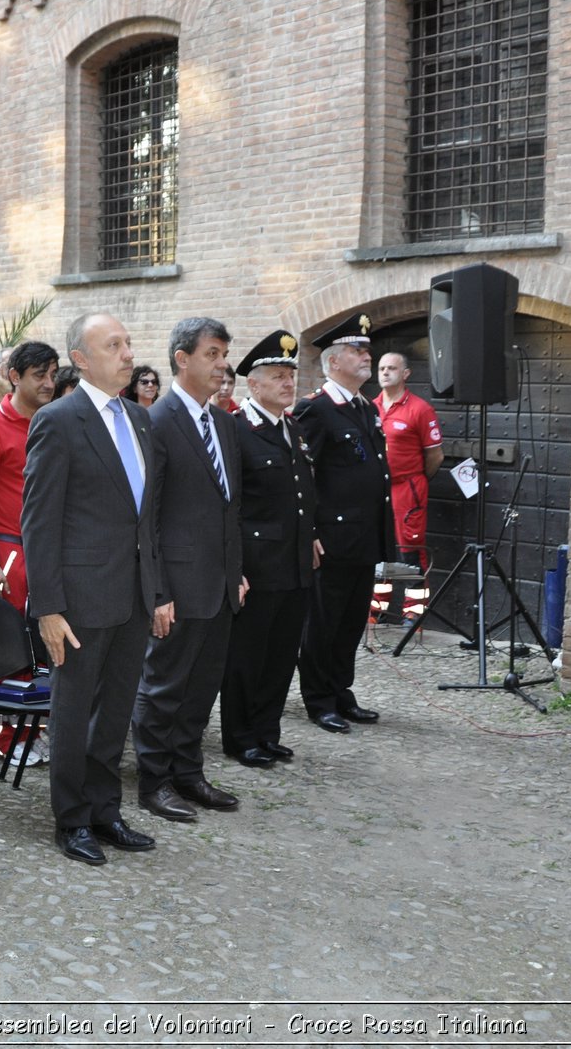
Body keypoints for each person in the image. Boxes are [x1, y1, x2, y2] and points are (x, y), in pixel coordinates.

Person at [22, 313, 162, 866]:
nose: (128, 354)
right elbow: (39, 521)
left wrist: (158, 588)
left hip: (132, 593)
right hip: (79, 597)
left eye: (128, 343)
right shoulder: (59, 420)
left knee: (118, 708)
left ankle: (106, 810)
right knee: (75, 709)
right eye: (114, 345)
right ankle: (72, 819)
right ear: (80, 359)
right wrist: (49, 607)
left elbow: (146, 517)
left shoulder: (138, 419)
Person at [131, 318, 245, 824]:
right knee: (163, 687)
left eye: (224, 354)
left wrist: (234, 571)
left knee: (202, 686)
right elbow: (147, 516)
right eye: (213, 353)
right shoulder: (155, 421)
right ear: (182, 358)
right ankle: (153, 781)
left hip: (218, 585)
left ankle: (188, 771)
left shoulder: (222, 422)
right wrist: (157, 592)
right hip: (176, 585)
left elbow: (229, 508)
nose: (223, 364)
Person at [220, 331, 322, 766]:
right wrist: (235, 566)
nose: (288, 383)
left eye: (290, 375)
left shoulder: (293, 427)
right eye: (278, 376)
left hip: (294, 561)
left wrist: (311, 534)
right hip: (258, 565)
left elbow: (300, 492)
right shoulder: (237, 429)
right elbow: (231, 505)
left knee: (281, 654)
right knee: (248, 656)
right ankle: (240, 736)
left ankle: (267, 731)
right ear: (254, 384)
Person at [293, 320, 391, 735]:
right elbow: (302, 476)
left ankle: (340, 689)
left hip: (363, 536)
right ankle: (318, 698)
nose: (366, 355)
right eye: (356, 350)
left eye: (366, 349)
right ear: (334, 361)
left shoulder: (365, 407)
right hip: (331, 539)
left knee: (352, 621)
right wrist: (309, 533)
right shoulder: (315, 409)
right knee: (324, 622)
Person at [0, 340, 59, 764]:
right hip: (10, 548)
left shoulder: (55, 421)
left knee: (46, 646)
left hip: (50, 548)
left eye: (53, 374)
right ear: (15, 377)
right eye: (40, 375)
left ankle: (36, 728)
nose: (49, 383)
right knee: (11, 644)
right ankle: (3, 737)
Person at [370, 350, 443, 627]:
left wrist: (416, 481)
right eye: (381, 368)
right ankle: (376, 610)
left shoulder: (420, 409)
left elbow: (435, 456)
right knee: (379, 552)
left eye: (391, 368)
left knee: (410, 551)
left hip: (407, 489)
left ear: (405, 374)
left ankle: (413, 614)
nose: (385, 372)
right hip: (378, 490)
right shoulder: (370, 407)